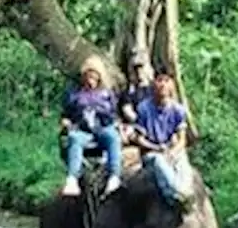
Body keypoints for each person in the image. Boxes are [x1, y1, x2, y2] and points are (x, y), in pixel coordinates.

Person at [60, 56, 122, 197]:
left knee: (113, 137)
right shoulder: (74, 94)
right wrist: (66, 122)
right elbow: (66, 114)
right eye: (88, 76)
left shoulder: (106, 94)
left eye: (94, 76)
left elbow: (113, 114)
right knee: (74, 138)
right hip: (83, 130)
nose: (90, 80)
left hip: (102, 128)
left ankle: (114, 175)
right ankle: (72, 178)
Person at [132, 73, 194, 209]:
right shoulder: (143, 108)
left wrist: (173, 151)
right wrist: (156, 148)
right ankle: (175, 194)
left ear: (172, 85)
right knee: (158, 162)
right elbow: (139, 139)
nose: (163, 84)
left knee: (183, 160)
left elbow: (182, 139)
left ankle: (185, 192)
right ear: (154, 84)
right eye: (159, 80)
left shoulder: (178, 110)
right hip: (152, 152)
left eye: (166, 81)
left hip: (171, 150)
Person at [119, 52, 155, 124]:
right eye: (136, 69)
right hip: (138, 124)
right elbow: (127, 110)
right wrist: (140, 121)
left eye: (141, 68)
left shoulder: (155, 88)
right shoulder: (129, 92)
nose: (139, 72)